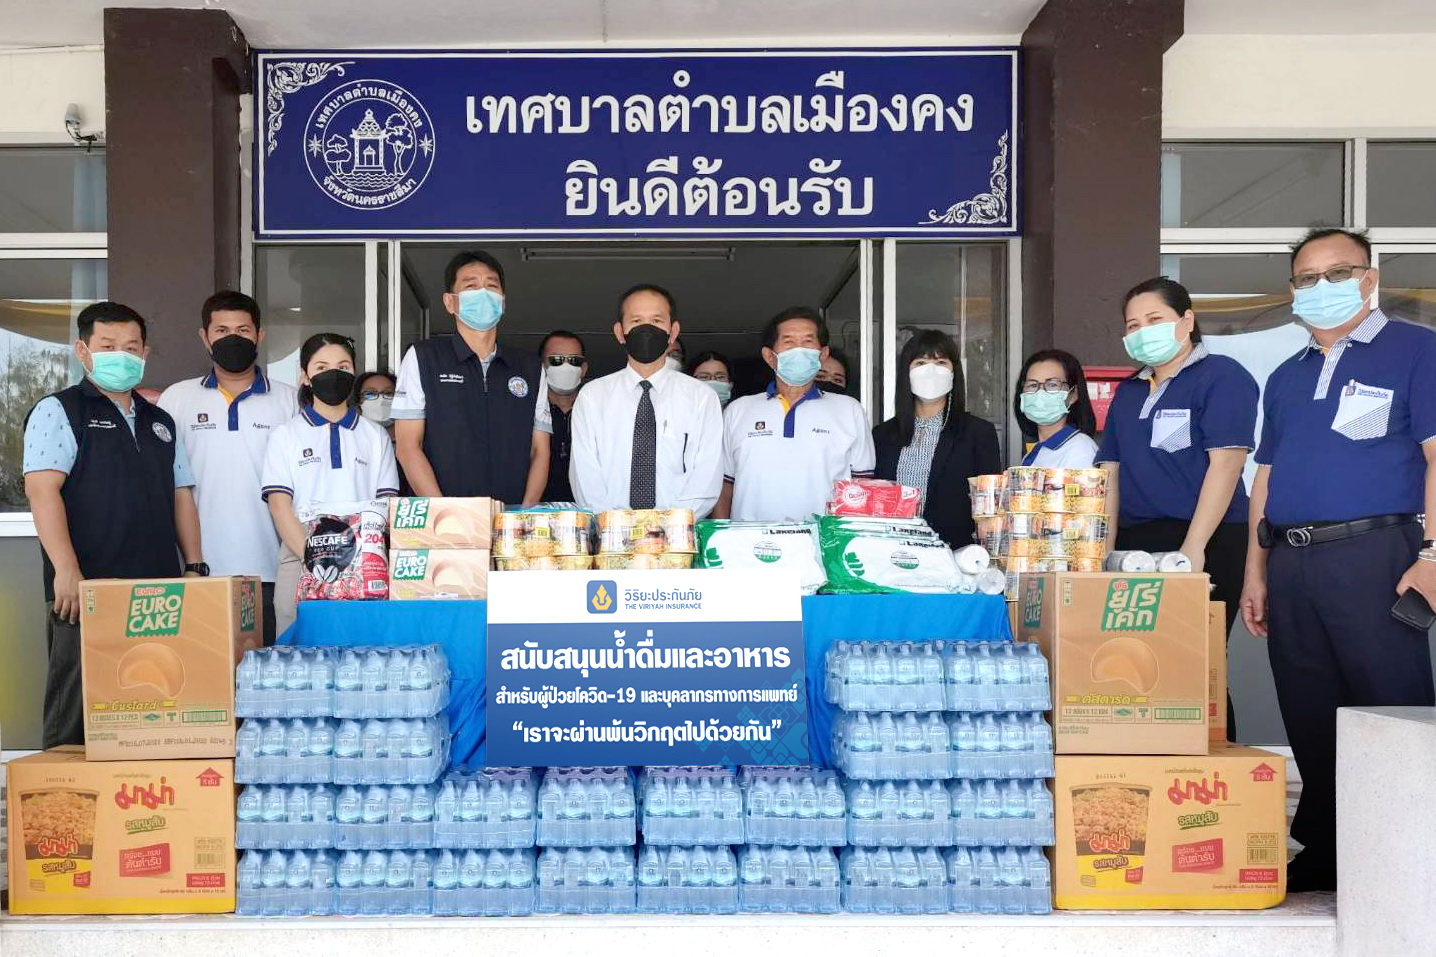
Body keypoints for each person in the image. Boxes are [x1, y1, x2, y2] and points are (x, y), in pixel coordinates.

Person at [1240, 227, 1436, 893]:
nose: (1321, 288)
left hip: (1377, 554)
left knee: (1391, 707)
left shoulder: (1416, 350)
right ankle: (1326, 849)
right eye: (1307, 278)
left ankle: (1406, 854)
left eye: (1337, 273)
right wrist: (1255, 570)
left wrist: (1433, 555)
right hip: (1292, 559)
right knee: (1308, 707)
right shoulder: (1286, 375)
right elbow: (1265, 477)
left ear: (1369, 279)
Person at [23, 301, 205, 747]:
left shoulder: (160, 421)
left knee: (150, 706)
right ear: (82, 351)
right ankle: (65, 790)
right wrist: (66, 570)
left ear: (145, 353)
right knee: (76, 711)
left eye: (131, 347)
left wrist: (194, 567)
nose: (121, 355)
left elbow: (181, 494)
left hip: (157, 593)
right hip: (86, 590)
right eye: (107, 346)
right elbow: (42, 492)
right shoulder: (60, 410)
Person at [1097, 276, 1257, 606]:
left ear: (1187, 321)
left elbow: (1227, 464)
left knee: (1193, 635)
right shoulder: (1129, 391)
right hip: (1134, 544)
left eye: (1155, 319)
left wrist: (1194, 545)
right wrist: (1106, 550)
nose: (1143, 331)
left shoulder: (1221, 376)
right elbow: (1110, 473)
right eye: (1133, 325)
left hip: (1207, 537)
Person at [159, 291, 297, 645]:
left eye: (242, 330)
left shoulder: (290, 400)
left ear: (259, 336)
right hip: (199, 573)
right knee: (206, 674)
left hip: (275, 571)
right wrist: (189, 564)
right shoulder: (177, 398)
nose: (232, 338)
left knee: (271, 671)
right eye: (221, 330)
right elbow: (167, 484)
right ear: (204, 337)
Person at [262, 334, 399, 634]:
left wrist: (349, 564)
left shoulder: (375, 436)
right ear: (305, 376)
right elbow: (279, 507)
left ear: (353, 373)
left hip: (363, 565)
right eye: (321, 367)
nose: (333, 374)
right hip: (300, 558)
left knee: (362, 650)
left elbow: (386, 507)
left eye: (343, 366)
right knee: (297, 650)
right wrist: (318, 561)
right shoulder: (285, 435)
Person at [392, 250, 550, 505]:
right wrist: (445, 512)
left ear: (502, 301)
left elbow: (540, 450)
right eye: (471, 286)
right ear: (450, 302)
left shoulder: (529, 367)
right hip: (446, 517)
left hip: (511, 518)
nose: (483, 293)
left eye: (491, 286)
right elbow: (408, 447)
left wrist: (524, 513)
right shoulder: (424, 358)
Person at [569, 284, 724, 515]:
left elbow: (706, 473)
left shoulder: (701, 397)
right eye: (636, 321)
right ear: (620, 332)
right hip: (610, 530)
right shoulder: (592, 396)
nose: (647, 329)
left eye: (657, 321)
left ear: (673, 331)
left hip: (678, 531)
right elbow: (585, 473)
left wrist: (671, 525)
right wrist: (613, 525)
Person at [716, 307, 875, 521]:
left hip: (824, 540)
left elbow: (863, 487)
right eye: (789, 342)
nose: (799, 349)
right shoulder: (738, 410)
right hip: (750, 539)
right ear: (770, 357)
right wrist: (722, 535)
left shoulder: (849, 410)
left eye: (808, 341)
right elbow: (724, 485)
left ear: (823, 354)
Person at [873, 330, 1002, 547]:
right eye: (920, 363)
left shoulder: (978, 433)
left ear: (954, 372)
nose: (931, 371)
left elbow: (989, 509)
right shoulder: (882, 435)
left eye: (941, 362)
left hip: (955, 555)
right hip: (892, 552)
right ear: (906, 372)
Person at [1013, 349, 1100, 467]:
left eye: (1052, 384)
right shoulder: (1037, 450)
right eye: (1033, 385)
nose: (1040, 393)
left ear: (1073, 394)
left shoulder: (1080, 450)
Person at [539, 330, 588, 503]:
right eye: (556, 360)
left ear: (583, 369)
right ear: (542, 367)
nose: (566, 367)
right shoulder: (527, 412)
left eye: (574, 361)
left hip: (590, 509)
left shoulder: (597, 411)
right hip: (536, 511)